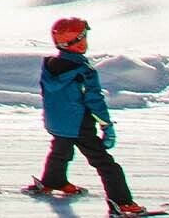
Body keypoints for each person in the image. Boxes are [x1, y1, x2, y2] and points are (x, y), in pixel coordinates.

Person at [29, 16, 153, 213]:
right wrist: (107, 126)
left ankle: (53, 181)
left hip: (56, 123)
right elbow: (95, 101)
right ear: (74, 43)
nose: (85, 42)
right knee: (105, 164)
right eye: (83, 37)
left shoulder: (49, 66)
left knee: (60, 151)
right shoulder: (83, 71)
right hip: (79, 124)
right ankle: (122, 203)